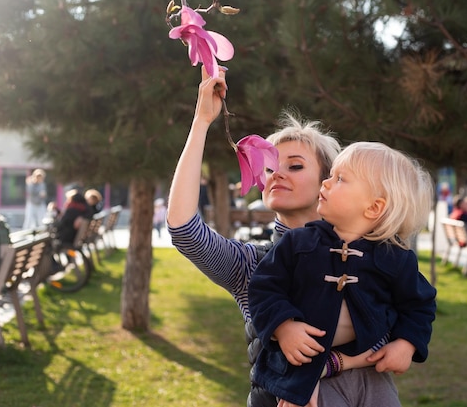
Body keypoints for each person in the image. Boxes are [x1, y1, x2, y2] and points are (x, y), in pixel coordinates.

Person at [167, 67, 418, 407]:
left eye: (295, 166)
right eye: (269, 168)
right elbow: (184, 230)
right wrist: (201, 123)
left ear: (327, 181)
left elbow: (407, 315)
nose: (276, 175)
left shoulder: (373, 252)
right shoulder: (255, 264)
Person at [248, 142, 437, 407]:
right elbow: (263, 288)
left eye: (339, 179)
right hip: (307, 373)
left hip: (371, 373)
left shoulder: (394, 257)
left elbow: (420, 305)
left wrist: (406, 344)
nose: (325, 183)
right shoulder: (298, 244)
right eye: (329, 175)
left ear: (373, 207)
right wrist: (283, 326)